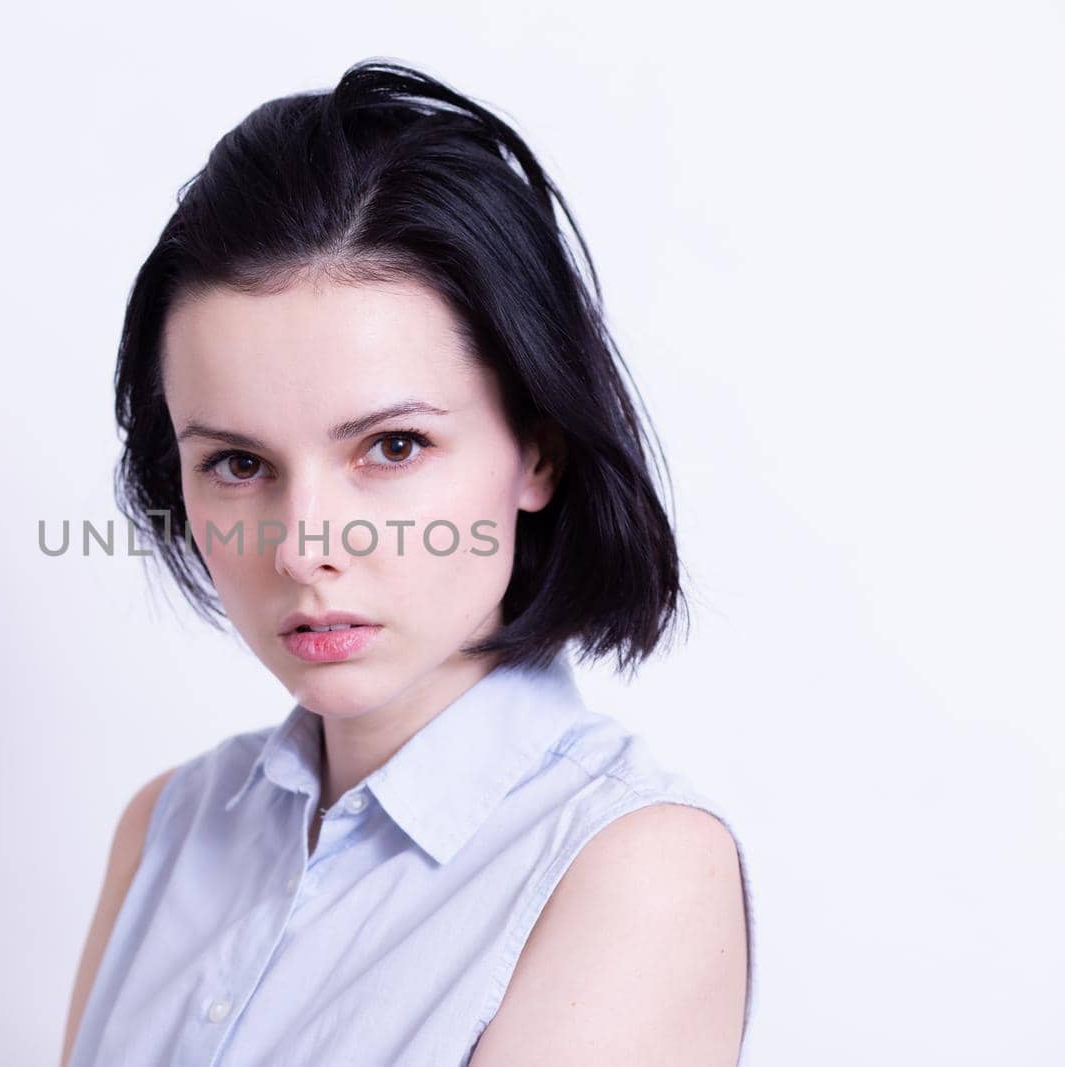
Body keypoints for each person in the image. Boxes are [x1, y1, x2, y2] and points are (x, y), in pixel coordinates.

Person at [60, 59, 755, 1067]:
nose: (302, 547)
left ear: (537, 448)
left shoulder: (628, 867)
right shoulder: (167, 830)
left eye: (391, 447)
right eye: (238, 462)